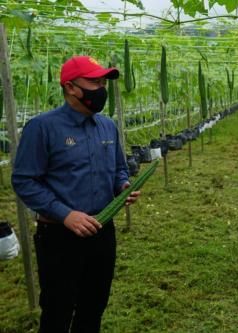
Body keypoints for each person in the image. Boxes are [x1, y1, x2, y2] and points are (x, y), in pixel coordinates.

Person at [12, 55, 140, 333]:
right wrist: (65, 214)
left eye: (103, 81)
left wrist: (122, 186)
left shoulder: (107, 126)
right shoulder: (43, 127)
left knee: (93, 308)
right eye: (94, 82)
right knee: (58, 311)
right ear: (70, 87)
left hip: (102, 231)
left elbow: (119, 169)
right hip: (60, 237)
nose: (101, 88)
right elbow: (24, 180)